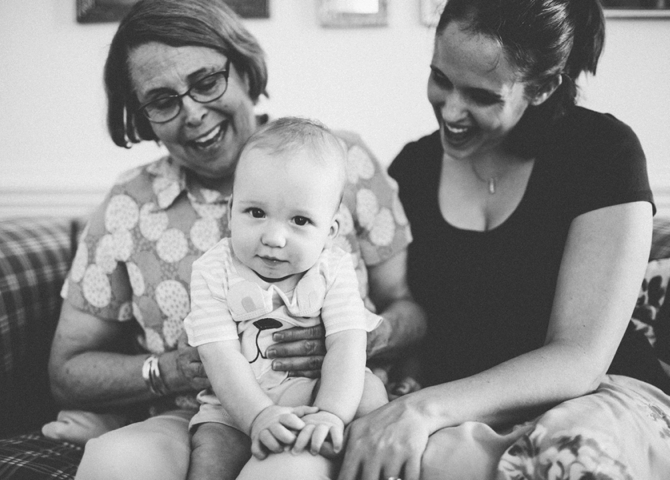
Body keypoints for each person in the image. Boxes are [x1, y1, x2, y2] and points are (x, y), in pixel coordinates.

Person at [41, 1, 426, 479]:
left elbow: (408, 307)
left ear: (244, 69)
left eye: (206, 82)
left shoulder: (341, 162)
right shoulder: (129, 206)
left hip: (326, 406)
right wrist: (174, 368)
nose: (194, 113)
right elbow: (67, 371)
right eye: (162, 101)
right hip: (198, 416)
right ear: (141, 117)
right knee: (115, 464)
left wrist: (362, 338)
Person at [335, 0, 670, 479]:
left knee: (568, 460)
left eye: (481, 96)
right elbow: (407, 308)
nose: (451, 110)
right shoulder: (411, 169)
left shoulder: (602, 153)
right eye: (441, 79)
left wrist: (422, 411)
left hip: (600, 400)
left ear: (542, 86)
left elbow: (580, 358)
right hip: (458, 408)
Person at [185, 117, 388, 480]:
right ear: (231, 211)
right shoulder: (212, 270)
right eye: (256, 213)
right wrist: (258, 415)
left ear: (330, 231)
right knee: (210, 453)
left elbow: (347, 343)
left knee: (370, 392)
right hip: (236, 406)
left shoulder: (333, 269)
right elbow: (219, 354)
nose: (275, 237)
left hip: (320, 391)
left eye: (300, 220)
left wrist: (330, 412)